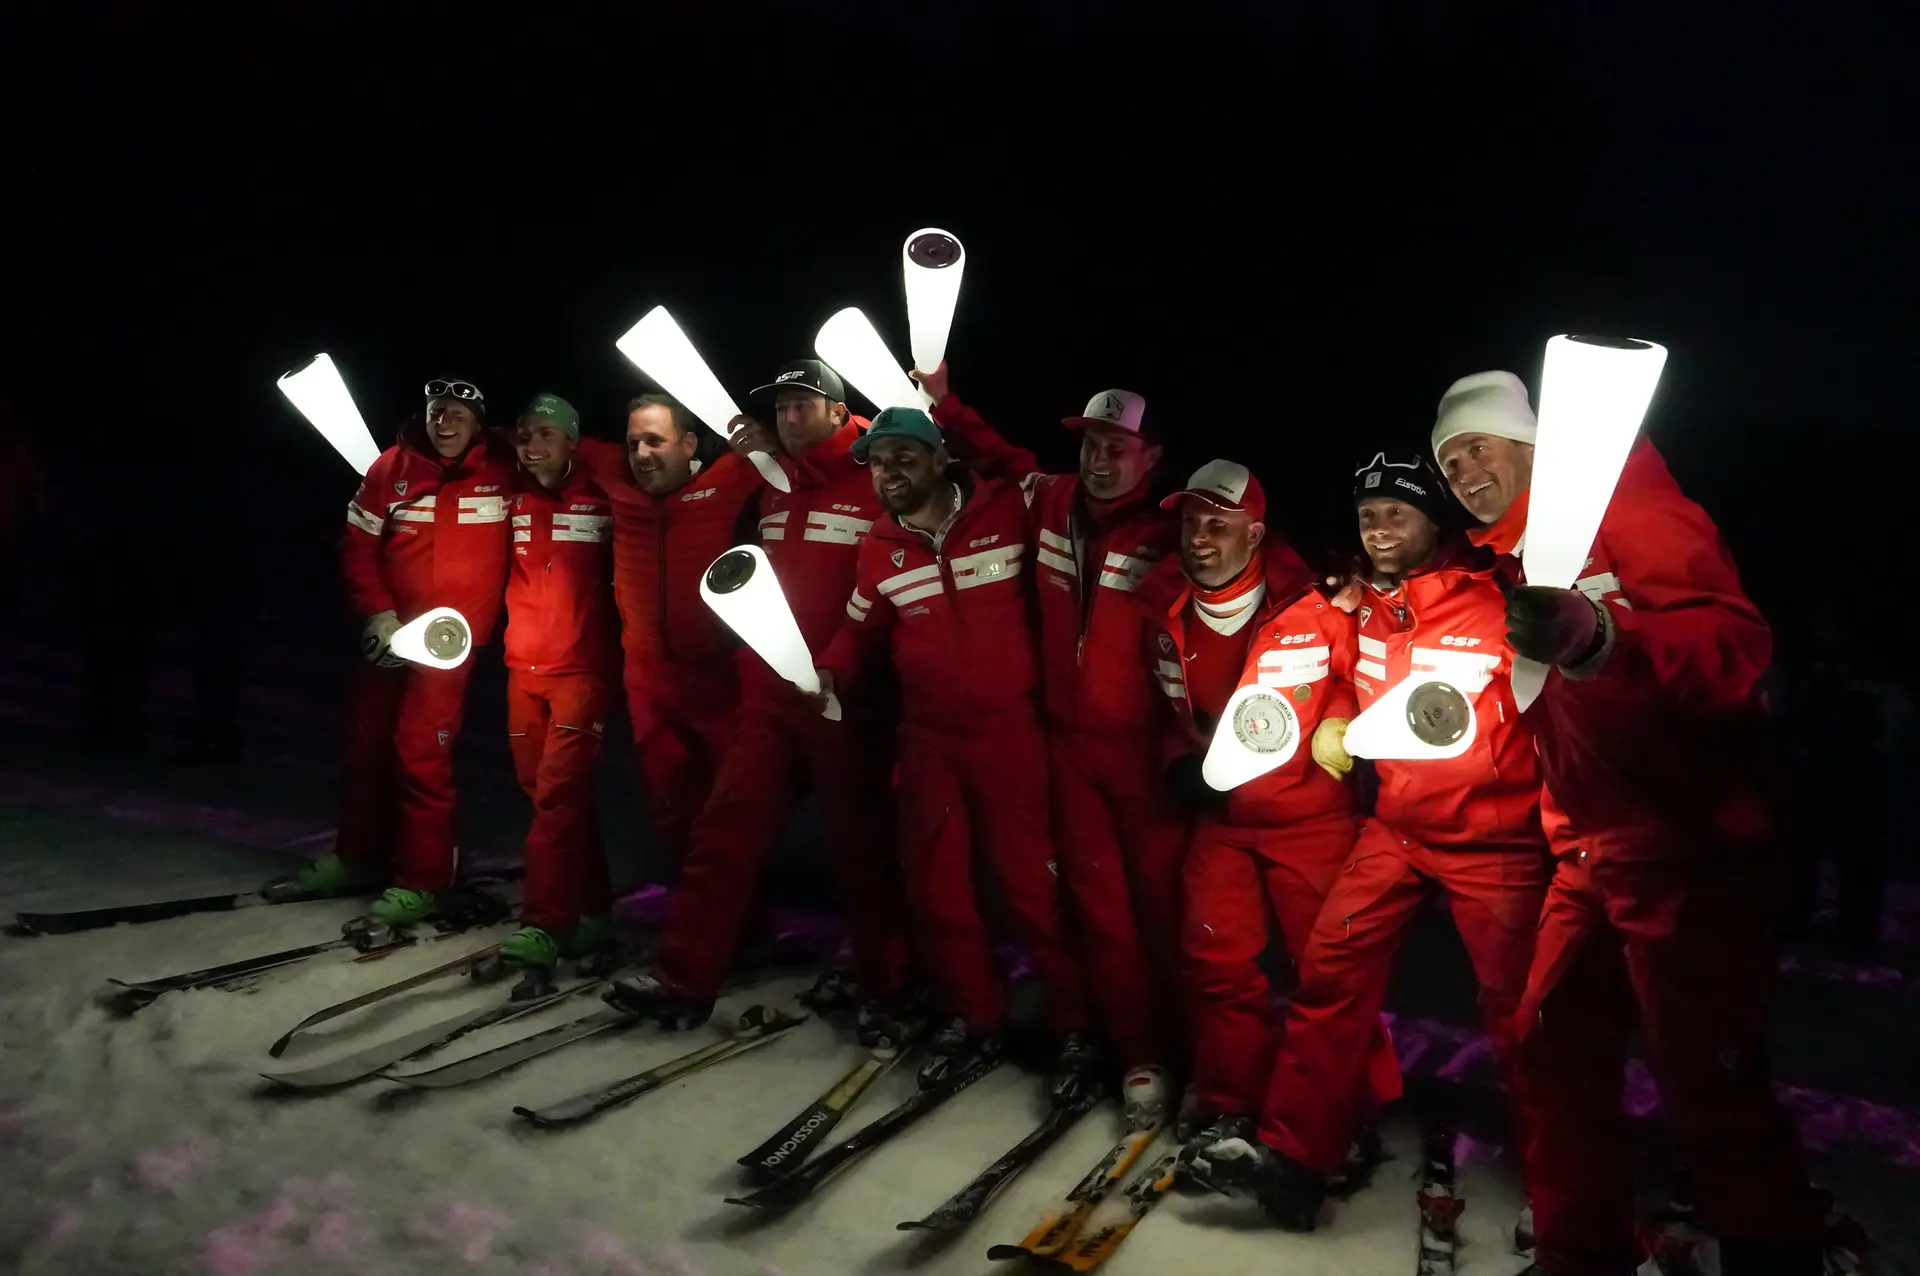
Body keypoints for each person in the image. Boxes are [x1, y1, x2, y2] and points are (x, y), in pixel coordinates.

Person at [1432, 369, 1827, 1276]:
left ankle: (1776, 1253)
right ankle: (1581, 1251)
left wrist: (1602, 637)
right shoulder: (1513, 565)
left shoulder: (1629, 508)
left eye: (1477, 447)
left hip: (1690, 849)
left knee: (1707, 1078)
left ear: (1531, 444)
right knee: (1550, 1048)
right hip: (1588, 852)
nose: (1463, 472)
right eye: (1449, 462)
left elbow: (1736, 645)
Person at [1187, 449, 1549, 1237]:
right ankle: (1296, 1160)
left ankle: (1567, 1192)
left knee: (1523, 1015)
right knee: (1329, 974)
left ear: (1433, 520)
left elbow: (1549, 698)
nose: (1379, 528)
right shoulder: (1368, 607)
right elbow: (1350, 679)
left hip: (1495, 842)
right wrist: (1336, 718)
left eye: (1396, 512)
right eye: (1366, 515)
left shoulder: (1496, 601)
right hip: (1399, 830)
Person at [603, 361, 914, 1040]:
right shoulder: (773, 482)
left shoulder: (878, 478)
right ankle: (684, 978)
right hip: (772, 700)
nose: (790, 417)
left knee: (862, 851)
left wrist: (859, 676)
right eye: (782, 407)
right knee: (724, 831)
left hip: (848, 703)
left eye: (805, 405)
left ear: (839, 413)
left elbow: (898, 582)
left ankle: (888, 983)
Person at [916, 367, 1188, 1130]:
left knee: (1168, 911)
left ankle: (1197, 1054)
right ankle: (1133, 1053)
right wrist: (942, 400)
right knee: (1098, 909)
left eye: (1117, 447)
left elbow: (1259, 565)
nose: (1100, 459)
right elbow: (999, 458)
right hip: (1067, 749)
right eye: (1092, 443)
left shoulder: (1171, 530)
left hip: (1143, 758)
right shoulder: (1051, 500)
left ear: (1150, 456)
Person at [813, 406, 1093, 1093]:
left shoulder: (1005, 513)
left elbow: (1043, 489)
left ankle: (1078, 1022)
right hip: (931, 738)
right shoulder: (879, 544)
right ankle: (977, 1014)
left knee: (1034, 886)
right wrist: (828, 671)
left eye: (904, 457)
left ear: (941, 459)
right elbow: (859, 625)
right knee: (938, 887)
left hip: (1011, 732)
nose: (889, 473)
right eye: (878, 462)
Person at [1136, 460, 1402, 1169]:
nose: (1199, 537)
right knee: (1215, 959)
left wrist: (1340, 723)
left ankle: (1350, 1109)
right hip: (1221, 820)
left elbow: (1355, 674)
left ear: (1254, 534)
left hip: (1308, 816)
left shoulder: (1313, 599)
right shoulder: (1161, 599)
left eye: (1217, 525)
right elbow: (1165, 705)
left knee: (1329, 971)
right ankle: (1232, 1100)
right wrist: (1176, 762)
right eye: (1190, 522)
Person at [265, 378, 513, 932]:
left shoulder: (503, 470)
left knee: (421, 753)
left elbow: (563, 464)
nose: (445, 423)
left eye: (458, 414)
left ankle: (425, 880)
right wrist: (378, 615)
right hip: (394, 637)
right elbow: (357, 547)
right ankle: (357, 856)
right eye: (436, 412)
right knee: (365, 745)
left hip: (449, 645)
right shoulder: (390, 469)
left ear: (478, 424)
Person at [574, 395, 762, 875]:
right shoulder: (616, 477)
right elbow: (547, 436)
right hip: (648, 678)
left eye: (655, 441)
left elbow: (806, 453)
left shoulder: (728, 478)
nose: (641, 454)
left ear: (689, 444)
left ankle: (739, 906)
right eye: (633, 442)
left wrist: (766, 439)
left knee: (731, 804)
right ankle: (686, 894)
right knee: (669, 799)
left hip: (715, 673)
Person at [496, 394, 618, 975]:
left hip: (581, 670)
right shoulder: (513, 494)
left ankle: (546, 922)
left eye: (547, 433)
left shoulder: (602, 495)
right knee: (544, 793)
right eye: (525, 434)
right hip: (523, 666)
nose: (532, 444)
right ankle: (592, 908)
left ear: (573, 440)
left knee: (557, 796)